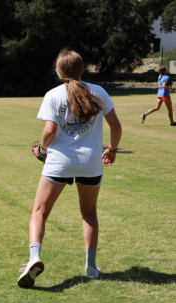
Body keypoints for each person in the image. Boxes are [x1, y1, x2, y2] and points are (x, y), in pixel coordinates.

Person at [17, 49, 122, 288]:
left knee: (39, 212)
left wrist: (42, 149)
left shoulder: (53, 94)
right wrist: (112, 150)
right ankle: (91, 267)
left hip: (59, 162)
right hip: (91, 163)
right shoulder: (99, 92)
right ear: (82, 69)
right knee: (89, 213)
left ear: (58, 70)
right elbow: (116, 127)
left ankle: (34, 258)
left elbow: (50, 132)